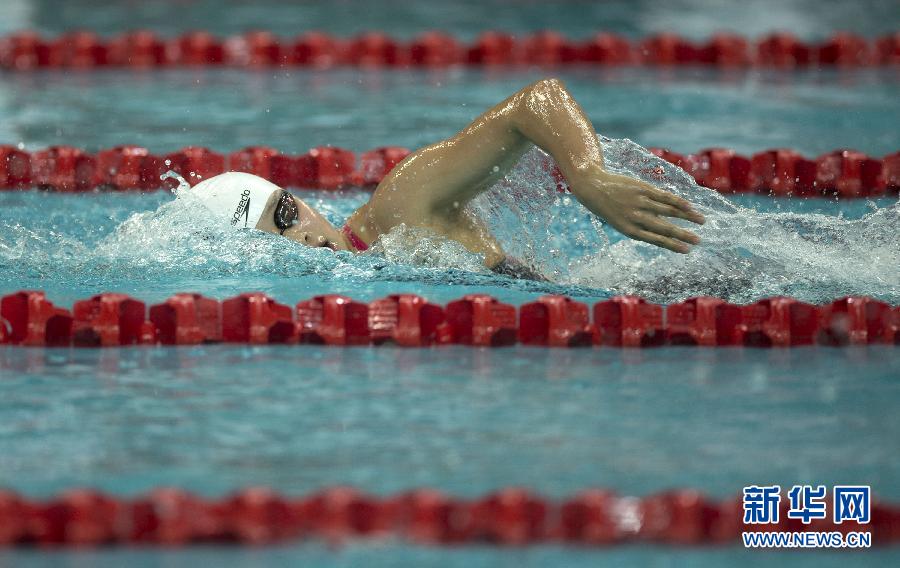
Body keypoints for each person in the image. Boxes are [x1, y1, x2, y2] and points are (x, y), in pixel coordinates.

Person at [191, 78, 705, 279]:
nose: (298, 235)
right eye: (272, 237)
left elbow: (536, 101)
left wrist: (587, 174)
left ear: (297, 199)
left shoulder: (398, 209)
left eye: (285, 213)